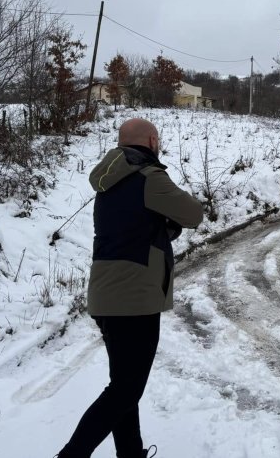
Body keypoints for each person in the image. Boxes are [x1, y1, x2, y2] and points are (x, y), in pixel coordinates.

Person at [57, 118, 204, 458]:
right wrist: (169, 224)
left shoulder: (107, 183)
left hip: (104, 294)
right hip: (135, 297)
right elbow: (193, 214)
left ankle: (131, 453)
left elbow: (132, 229)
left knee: (123, 385)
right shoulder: (150, 177)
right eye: (158, 140)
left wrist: (160, 229)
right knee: (125, 390)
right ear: (152, 141)